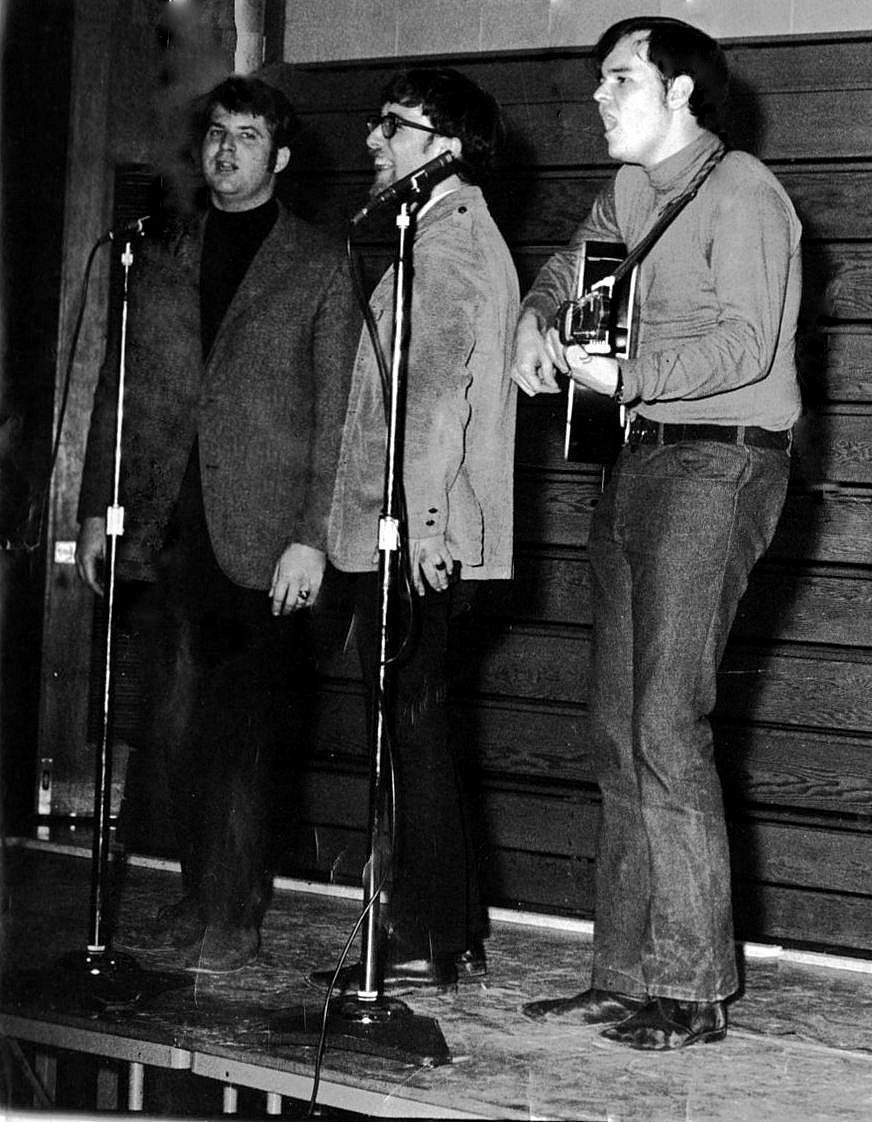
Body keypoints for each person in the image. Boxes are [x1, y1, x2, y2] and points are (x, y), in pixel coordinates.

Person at [511, 17, 802, 1051]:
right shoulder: (630, 193)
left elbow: (747, 340)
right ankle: (623, 970)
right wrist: (533, 325)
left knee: (669, 724)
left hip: (718, 464)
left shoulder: (745, 193)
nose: (600, 95)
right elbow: (559, 269)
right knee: (616, 730)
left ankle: (691, 989)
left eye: (620, 79)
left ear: (679, 92)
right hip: (636, 464)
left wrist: (626, 378)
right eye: (598, 79)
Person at [76, 75, 358, 973]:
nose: (224, 149)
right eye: (216, 134)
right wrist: (95, 511)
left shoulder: (320, 261)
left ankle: (234, 915)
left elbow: (339, 412)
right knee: (174, 726)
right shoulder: (157, 254)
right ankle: (198, 894)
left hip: (265, 537)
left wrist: (313, 535)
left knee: (242, 731)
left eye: (246, 135)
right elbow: (118, 396)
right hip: (168, 529)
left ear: (279, 157)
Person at [319, 67, 518, 989]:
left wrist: (427, 521)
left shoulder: (451, 242)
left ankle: (432, 929)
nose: (373, 141)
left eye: (392, 127)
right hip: (403, 530)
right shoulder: (433, 230)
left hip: (418, 536)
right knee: (413, 726)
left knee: (414, 725)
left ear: (443, 147)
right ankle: (438, 926)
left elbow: (439, 392)